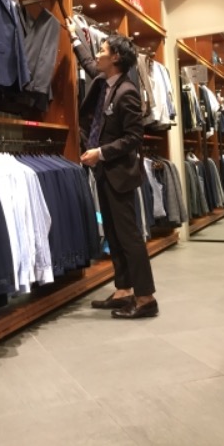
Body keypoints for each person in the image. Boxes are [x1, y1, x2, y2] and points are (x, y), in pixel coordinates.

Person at [65, 18, 158, 319]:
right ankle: (123, 290)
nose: (98, 53)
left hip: (119, 174)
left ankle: (146, 298)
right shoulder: (105, 81)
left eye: (103, 49)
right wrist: (74, 37)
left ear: (115, 58)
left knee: (129, 237)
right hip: (105, 172)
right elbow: (88, 63)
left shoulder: (127, 91)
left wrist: (101, 153)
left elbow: (134, 138)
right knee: (116, 236)